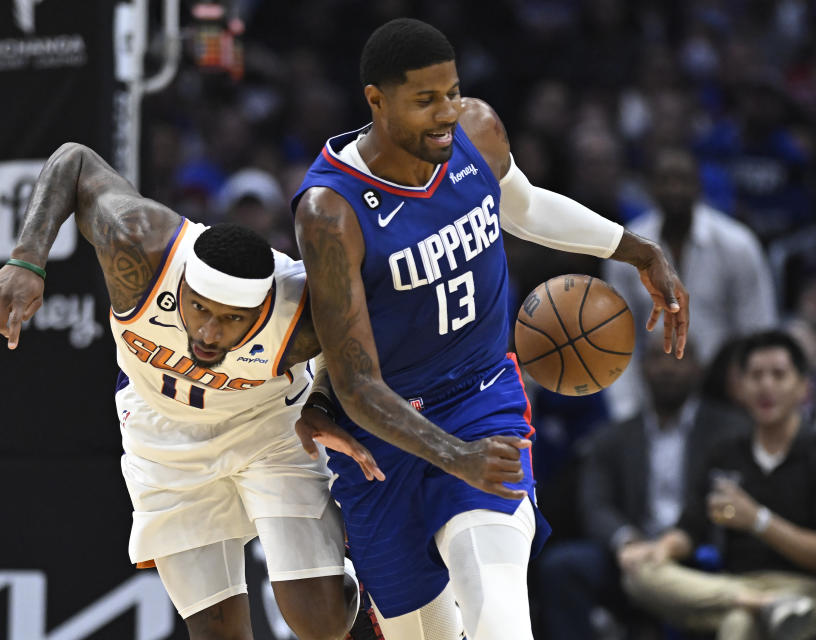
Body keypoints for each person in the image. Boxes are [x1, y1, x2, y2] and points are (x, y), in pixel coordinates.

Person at [290, 18, 689, 640]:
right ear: (376, 100)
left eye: (452, 91)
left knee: (498, 612)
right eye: (425, 100)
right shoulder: (330, 210)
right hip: (380, 438)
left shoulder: (475, 129)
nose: (447, 112)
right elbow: (357, 381)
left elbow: (523, 207)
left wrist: (637, 249)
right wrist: (455, 458)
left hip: (480, 402)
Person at [0, 142, 385, 640]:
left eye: (232, 320)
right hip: (162, 438)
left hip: (271, 431)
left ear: (259, 312)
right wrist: (26, 259)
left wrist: (321, 402)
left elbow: (354, 346)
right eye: (200, 310)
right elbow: (74, 161)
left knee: (317, 623)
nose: (209, 333)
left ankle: (356, 579)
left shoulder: (300, 309)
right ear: (184, 287)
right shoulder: (139, 247)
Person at [535, 336, 749, 640]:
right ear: (641, 368)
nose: (666, 368)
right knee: (563, 566)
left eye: (677, 357)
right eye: (656, 358)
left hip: (698, 549)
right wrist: (626, 540)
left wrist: (678, 543)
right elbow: (595, 506)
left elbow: (728, 499)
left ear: (698, 368)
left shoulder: (729, 431)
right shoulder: (613, 436)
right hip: (633, 551)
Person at [621, 330, 816, 640]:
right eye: (755, 375)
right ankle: (761, 604)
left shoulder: (810, 451)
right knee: (639, 575)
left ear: (803, 388)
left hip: (802, 588)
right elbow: (693, 527)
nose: (766, 385)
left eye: (778, 375)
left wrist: (758, 520)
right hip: (734, 583)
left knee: (737, 625)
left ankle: (755, 604)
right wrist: (662, 548)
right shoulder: (726, 452)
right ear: (739, 387)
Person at [604, 146, 778, 420]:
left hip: (723, 393)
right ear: (650, 187)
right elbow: (616, 339)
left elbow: (758, 332)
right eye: (665, 180)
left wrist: (746, 401)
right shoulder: (626, 248)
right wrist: (627, 410)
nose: (675, 189)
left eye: (682, 180)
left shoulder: (737, 245)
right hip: (652, 394)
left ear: (698, 185)